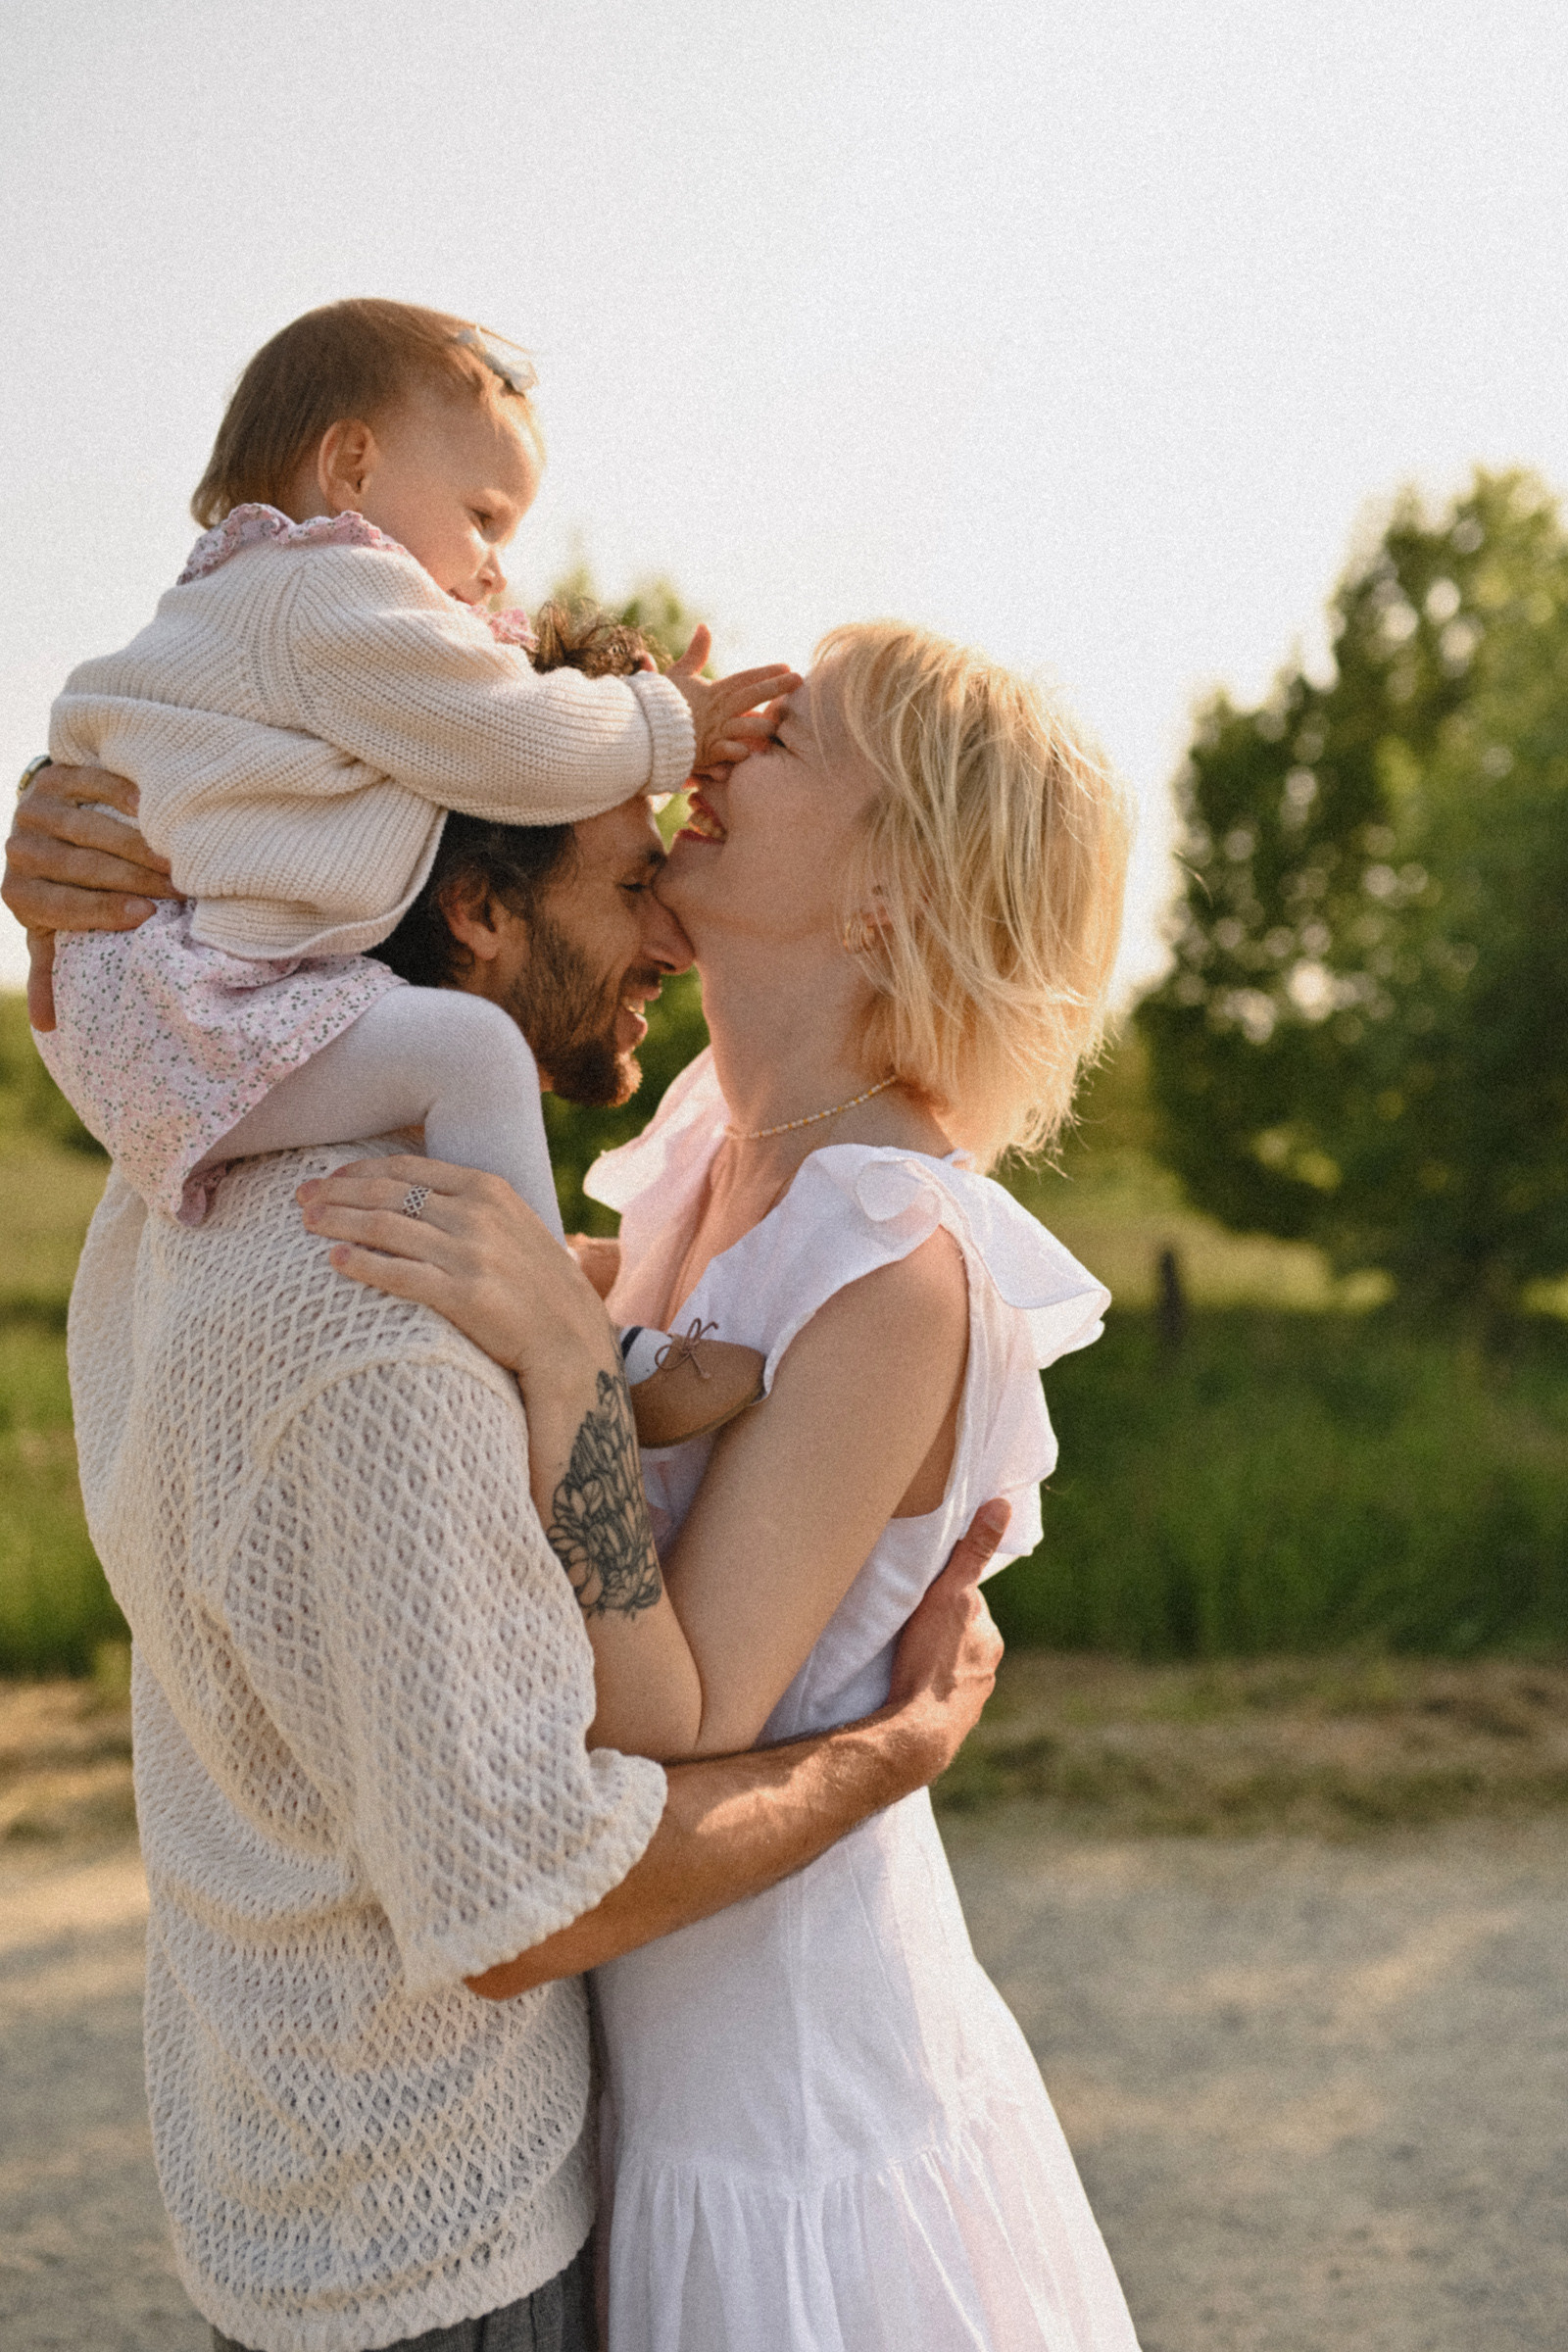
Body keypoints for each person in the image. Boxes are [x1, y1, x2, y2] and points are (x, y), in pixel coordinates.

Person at [4, 729, 1010, 2352]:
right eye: (629, 878)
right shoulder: (393, 1326)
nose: (666, 916)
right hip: (423, 2230)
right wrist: (897, 1750)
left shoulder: (192, 1180)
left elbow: (423, 725)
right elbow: (530, 1906)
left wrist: (98, 873)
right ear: (473, 911)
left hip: (344, 2166)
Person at [296, 622, 1143, 2349]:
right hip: (640, 2094)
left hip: (791, 2137)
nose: (730, 740)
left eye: (801, 741)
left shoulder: (900, 1268)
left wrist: (558, 1356)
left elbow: (679, 1716)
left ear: (893, 892)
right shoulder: (703, 1144)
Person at [36, 295, 789, 1440]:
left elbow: (461, 691)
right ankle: (577, 1358)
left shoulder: (251, 616)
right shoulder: (324, 585)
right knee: (470, 1048)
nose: (494, 572)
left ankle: (538, 1263)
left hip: (154, 1005)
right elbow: (502, 733)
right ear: (349, 467)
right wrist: (667, 721)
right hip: (185, 1009)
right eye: (485, 519)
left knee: (437, 1054)